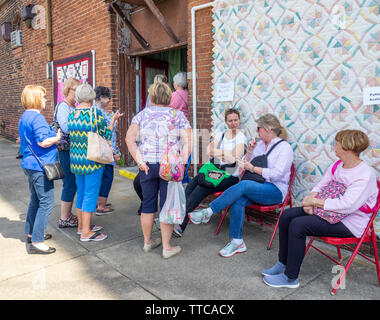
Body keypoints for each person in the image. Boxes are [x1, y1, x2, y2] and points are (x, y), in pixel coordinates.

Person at [262, 129, 378, 289]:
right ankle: (282, 264)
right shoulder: (338, 164)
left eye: (336, 143)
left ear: (347, 147)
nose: (334, 146)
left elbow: (347, 205)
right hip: (328, 211)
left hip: (350, 222)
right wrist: (311, 200)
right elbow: (322, 184)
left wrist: (315, 202)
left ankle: (290, 278)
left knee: (298, 225)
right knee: (287, 216)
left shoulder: (365, 175)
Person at [188, 113, 293, 257]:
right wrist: (250, 151)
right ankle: (237, 242)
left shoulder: (284, 148)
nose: (257, 131)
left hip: (275, 190)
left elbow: (278, 174)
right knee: (238, 199)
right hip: (256, 185)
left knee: (244, 185)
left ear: (268, 129)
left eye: (259, 128)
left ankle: (208, 212)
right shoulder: (260, 145)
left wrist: (254, 169)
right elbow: (243, 164)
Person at [126, 82, 192, 259]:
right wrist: (182, 162)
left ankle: (148, 242)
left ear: (151, 97)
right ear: (168, 97)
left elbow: (129, 139)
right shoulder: (177, 116)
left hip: (147, 165)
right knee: (167, 205)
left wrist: (140, 161)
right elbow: (189, 140)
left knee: (148, 204)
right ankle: (167, 247)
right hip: (169, 166)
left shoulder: (141, 115)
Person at [173, 109, 247, 238]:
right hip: (216, 170)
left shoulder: (241, 137)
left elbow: (234, 158)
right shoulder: (222, 134)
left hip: (230, 176)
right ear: (226, 122)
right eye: (230, 120)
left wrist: (219, 152)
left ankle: (180, 225)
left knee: (202, 188)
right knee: (192, 184)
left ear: (239, 120)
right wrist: (224, 154)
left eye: (236, 120)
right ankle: (176, 218)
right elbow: (208, 150)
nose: (233, 123)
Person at [68, 83, 122, 242]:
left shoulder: (73, 114)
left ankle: (81, 227)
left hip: (76, 161)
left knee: (81, 193)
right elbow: (107, 134)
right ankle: (86, 232)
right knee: (90, 195)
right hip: (92, 161)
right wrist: (113, 119)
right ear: (91, 96)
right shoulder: (94, 114)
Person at [19, 85, 62, 254]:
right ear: (35, 99)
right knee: (46, 202)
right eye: (43, 97)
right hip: (40, 167)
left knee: (35, 200)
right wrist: (57, 138)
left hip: (30, 165)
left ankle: (31, 233)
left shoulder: (24, 117)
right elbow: (43, 142)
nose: (45, 99)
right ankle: (37, 241)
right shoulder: (37, 118)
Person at [94, 86, 124, 216]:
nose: (109, 101)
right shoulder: (99, 112)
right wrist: (115, 152)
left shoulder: (96, 111)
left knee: (101, 178)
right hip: (105, 151)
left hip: (101, 150)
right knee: (107, 178)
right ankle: (101, 206)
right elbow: (108, 134)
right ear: (101, 98)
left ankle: (100, 202)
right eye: (108, 98)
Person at [56, 78, 81, 229]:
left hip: (74, 150)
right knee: (69, 183)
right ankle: (64, 218)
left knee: (73, 184)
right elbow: (67, 128)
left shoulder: (74, 106)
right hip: (66, 151)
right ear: (67, 90)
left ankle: (68, 215)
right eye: (75, 89)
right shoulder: (63, 106)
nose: (77, 93)